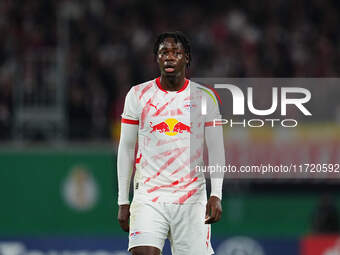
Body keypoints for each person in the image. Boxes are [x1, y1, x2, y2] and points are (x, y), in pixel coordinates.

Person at [117, 31, 225, 255]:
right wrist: (123, 200)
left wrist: (216, 194)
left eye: (176, 52)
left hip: (191, 198)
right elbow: (126, 148)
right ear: (156, 58)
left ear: (187, 58)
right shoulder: (138, 95)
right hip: (148, 196)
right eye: (164, 52)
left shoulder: (205, 98)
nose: (169, 57)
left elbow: (215, 150)